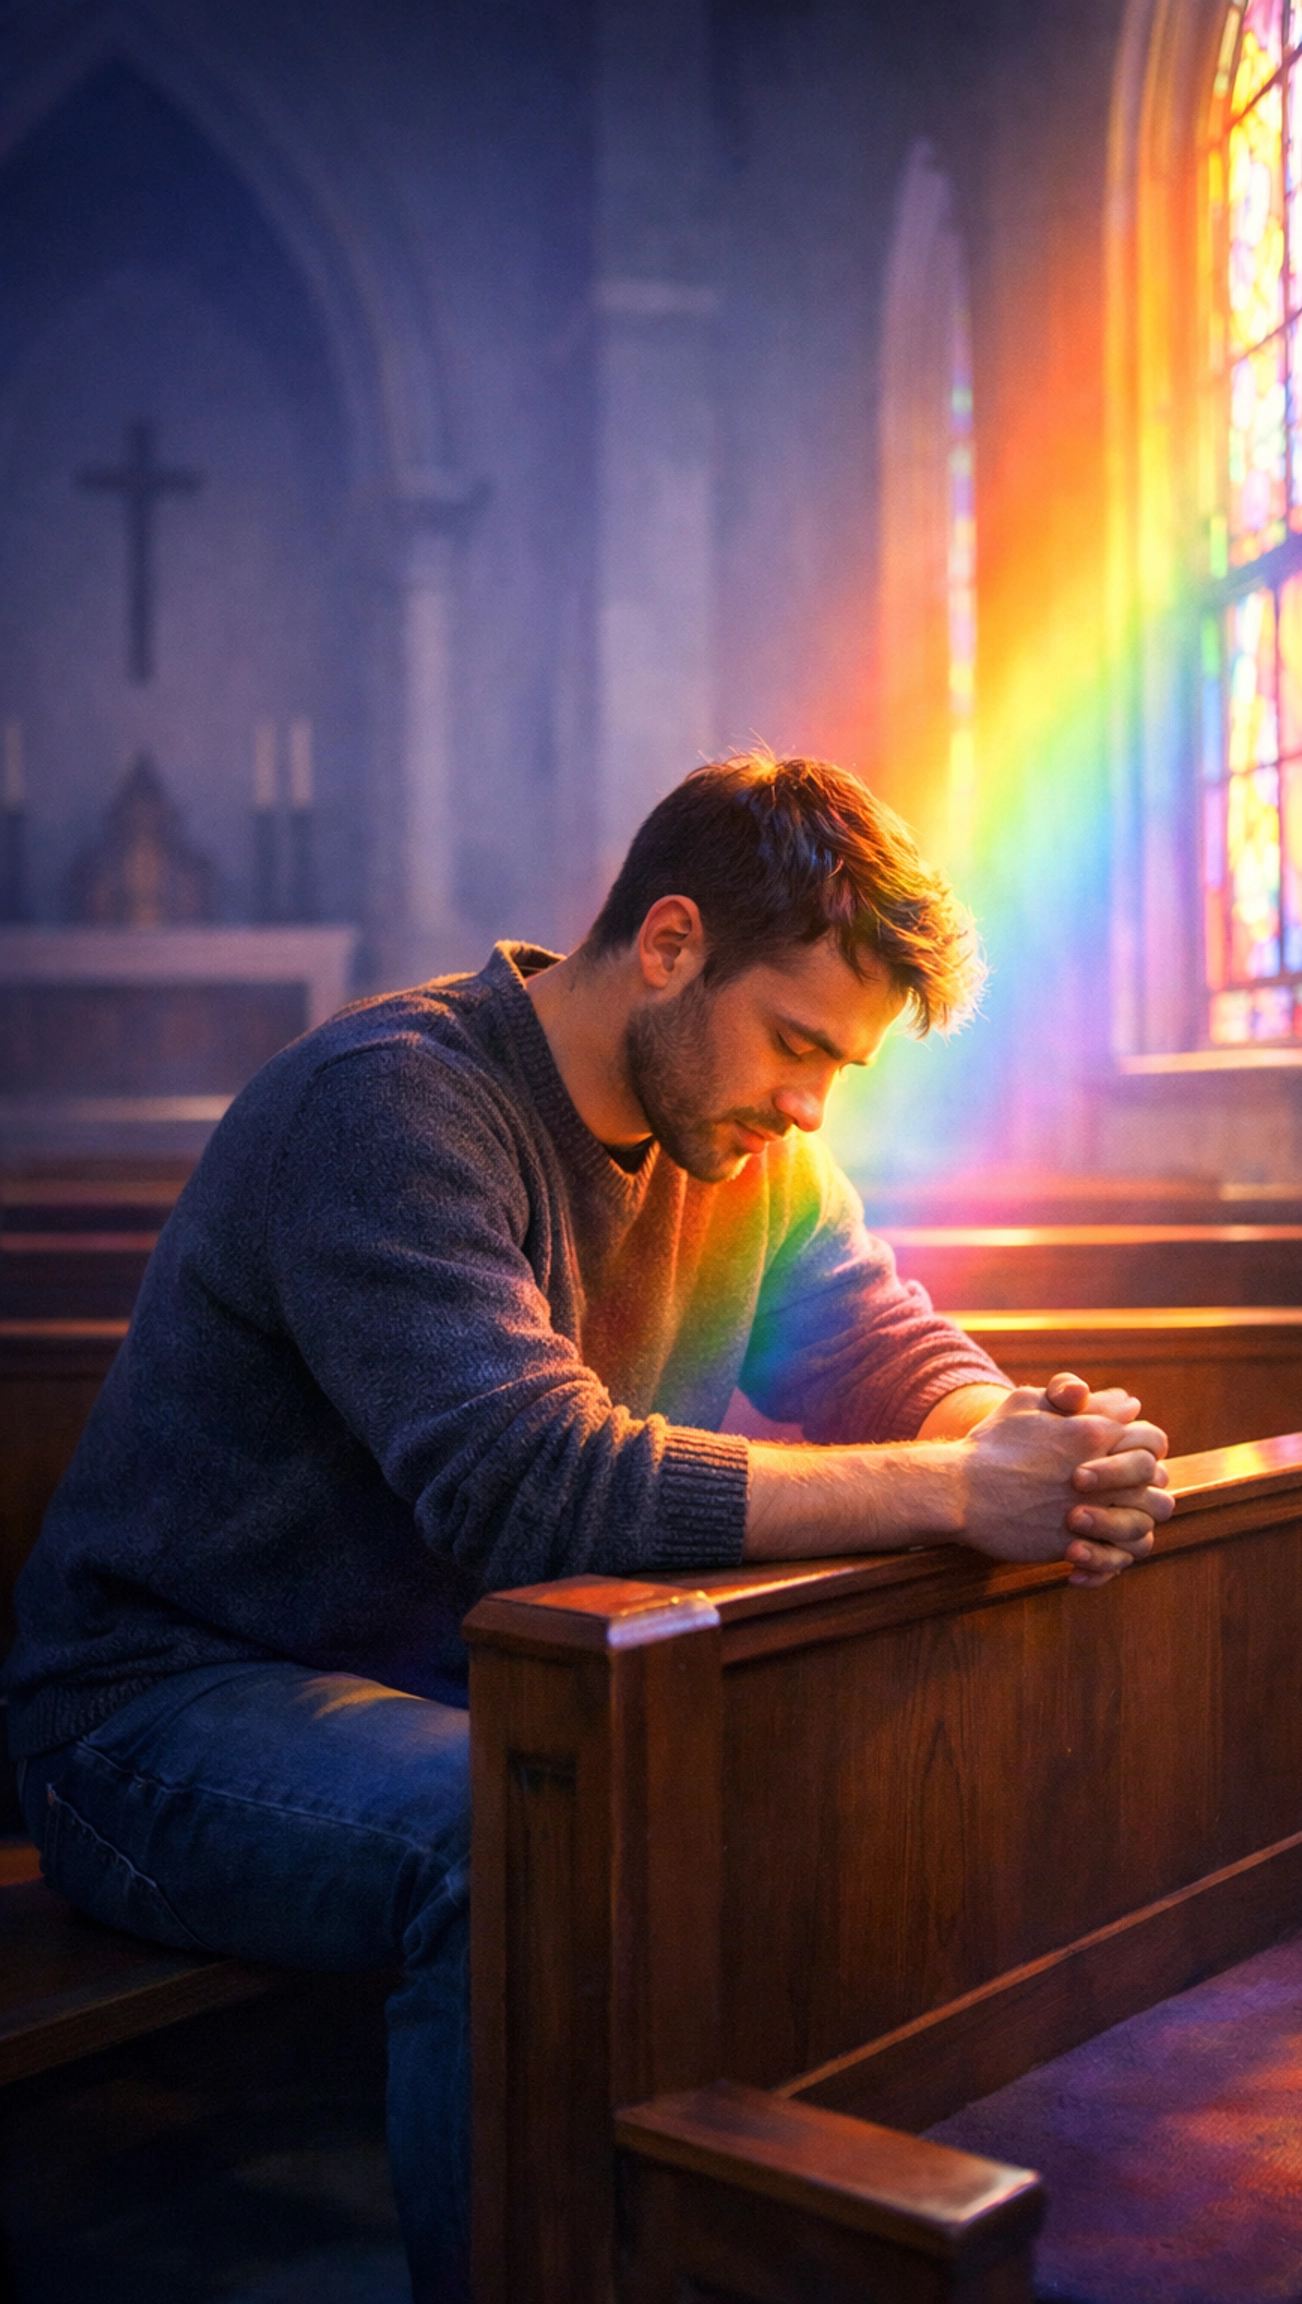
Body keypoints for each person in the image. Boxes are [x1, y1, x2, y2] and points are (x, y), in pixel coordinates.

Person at [3, 754, 1172, 2303]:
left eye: (842, 1069)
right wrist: (960, 1493)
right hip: (152, 1706)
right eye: (798, 1043)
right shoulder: (391, 1105)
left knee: (766, 1766)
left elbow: (877, 1343)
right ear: (671, 942)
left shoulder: (747, 1147)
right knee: (517, 1836)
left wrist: (1020, 1440)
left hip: (438, 1690)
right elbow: (532, 1484)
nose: (810, 1105)